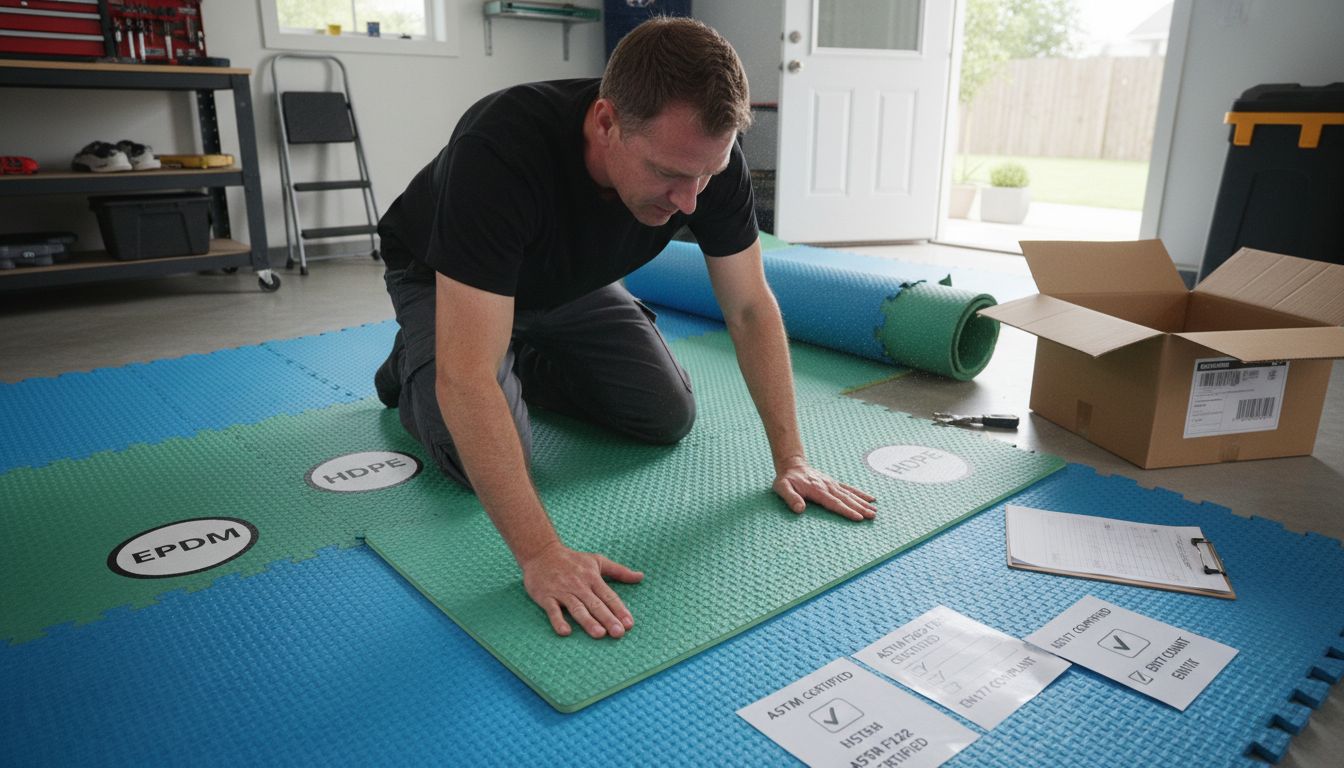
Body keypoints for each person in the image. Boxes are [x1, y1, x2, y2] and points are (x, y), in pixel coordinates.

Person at [374, 17, 876, 642]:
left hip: (568, 284)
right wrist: (541, 554)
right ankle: (414, 362)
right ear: (606, 121)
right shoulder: (500, 146)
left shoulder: (703, 161)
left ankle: (515, 352)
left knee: (664, 414)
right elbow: (470, 378)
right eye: (670, 174)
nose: (691, 201)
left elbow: (748, 307)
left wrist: (792, 459)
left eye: (707, 176)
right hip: (446, 277)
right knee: (478, 446)